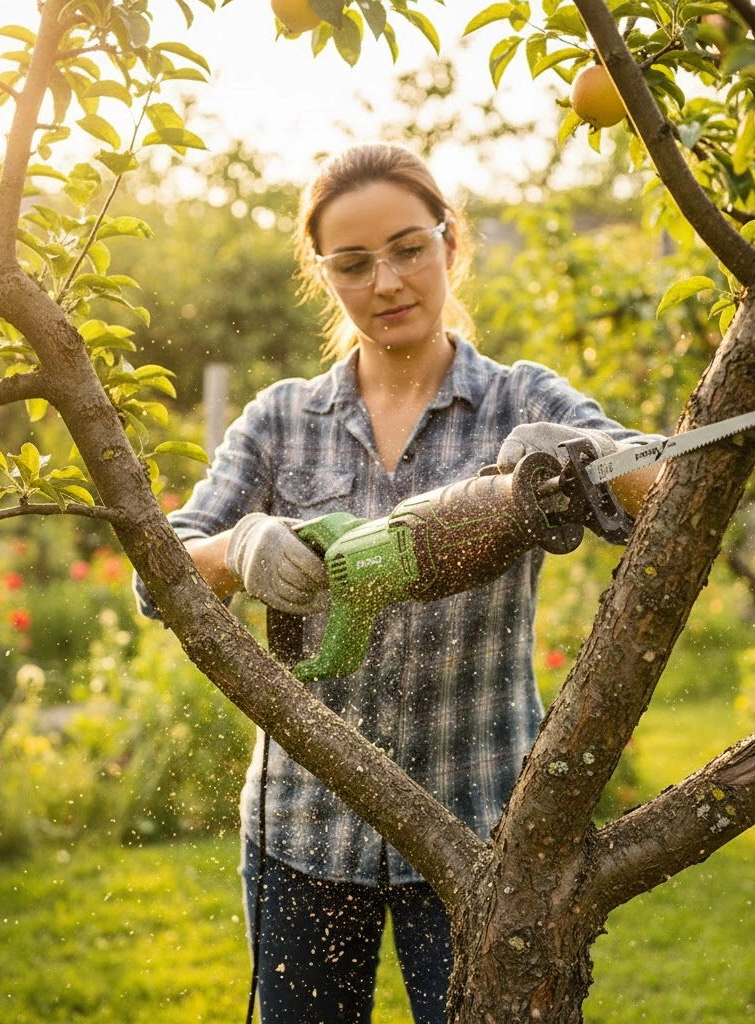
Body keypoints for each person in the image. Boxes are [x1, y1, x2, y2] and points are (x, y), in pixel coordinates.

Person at [134, 141, 660, 1024]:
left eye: (409, 249)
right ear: (323, 276)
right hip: (301, 829)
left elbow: (665, 489)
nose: (387, 283)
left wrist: (585, 454)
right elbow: (159, 578)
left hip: (481, 831)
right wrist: (240, 550)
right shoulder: (280, 420)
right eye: (353, 264)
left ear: (451, 242)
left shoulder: (521, 399)